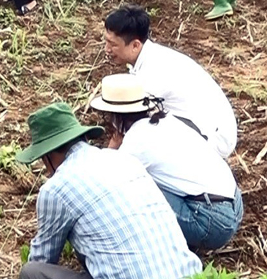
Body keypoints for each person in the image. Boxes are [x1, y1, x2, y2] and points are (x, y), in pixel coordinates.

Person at [15, 102, 201, 279]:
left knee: (30, 276)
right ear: (84, 137)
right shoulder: (125, 160)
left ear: (48, 156)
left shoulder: (56, 189)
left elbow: (43, 259)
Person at [91, 74, 243, 250]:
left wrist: (113, 146)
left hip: (213, 223)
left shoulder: (137, 140)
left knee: (134, 189)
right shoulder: (166, 120)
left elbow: (106, 182)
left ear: (115, 116)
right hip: (234, 205)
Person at [103, 5, 236, 157]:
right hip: (207, 129)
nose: (107, 49)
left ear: (135, 45)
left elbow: (128, 130)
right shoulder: (150, 57)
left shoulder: (153, 73)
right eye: (106, 41)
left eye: (113, 44)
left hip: (212, 140)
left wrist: (109, 155)